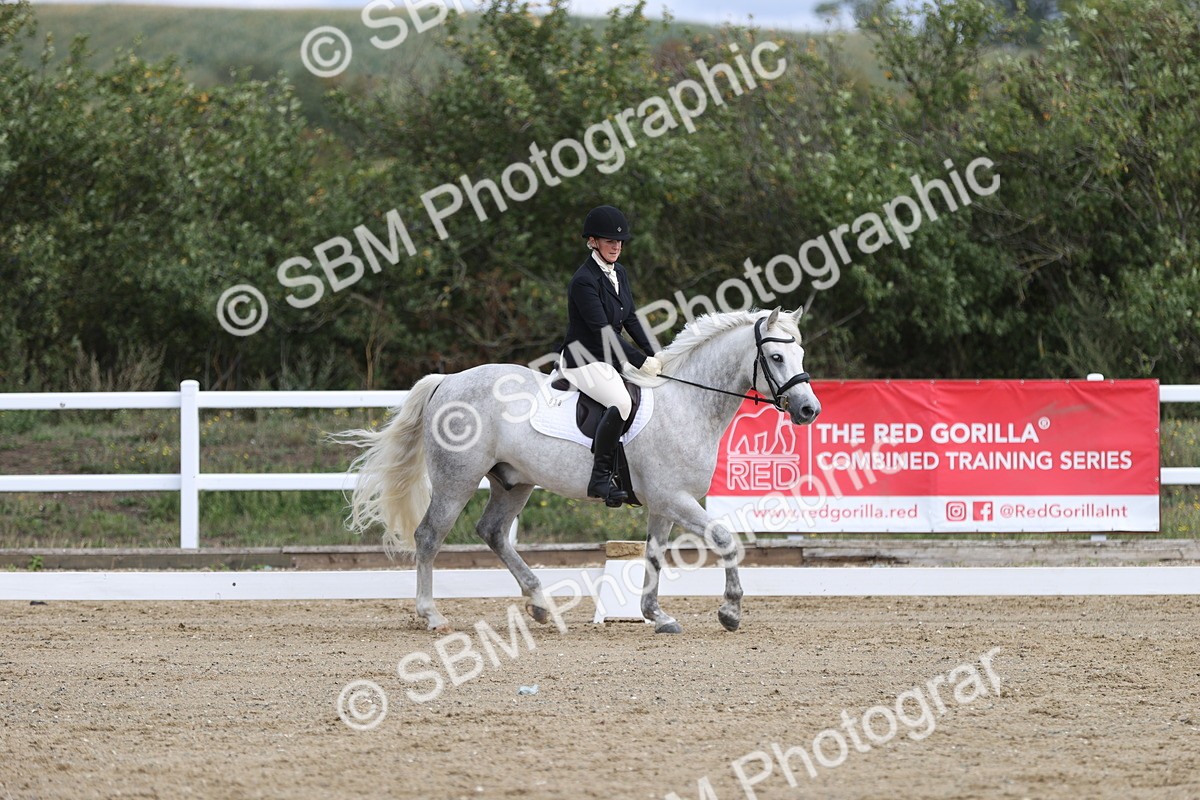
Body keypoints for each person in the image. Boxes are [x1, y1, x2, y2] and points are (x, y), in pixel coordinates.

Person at [559, 205, 662, 507]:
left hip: (609, 358)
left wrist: (658, 354)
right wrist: (641, 361)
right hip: (583, 358)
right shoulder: (583, 281)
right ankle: (601, 478)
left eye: (619, 242)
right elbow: (603, 331)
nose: (616, 246)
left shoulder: (620, 273)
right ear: (592, 241)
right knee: (621, 401)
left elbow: (631, 319)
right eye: (608, 241)